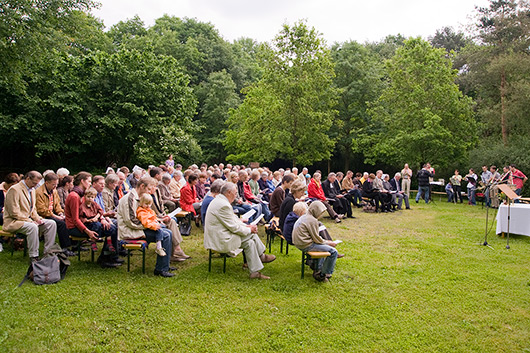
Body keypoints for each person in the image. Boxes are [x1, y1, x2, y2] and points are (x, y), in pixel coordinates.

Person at [204, 182, 276, 279]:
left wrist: (247, 227)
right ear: (229, 192)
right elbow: (233, 227)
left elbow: (232, 220)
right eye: (235, 193)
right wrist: (249, 229)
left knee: (249, 242)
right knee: (252, 235)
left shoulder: (220, 201)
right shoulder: (223, 205)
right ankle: (261, 256)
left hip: (221, 234)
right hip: (220, 239)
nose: (236, 195)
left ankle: (254, 272)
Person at [117, 176, 174, 277]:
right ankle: (161, 269)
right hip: (129, 230)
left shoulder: (139, 198)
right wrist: (151, 226)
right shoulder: (130, 198)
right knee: (165, 235)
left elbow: (146, 216)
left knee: (168, 232)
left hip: (138, 227)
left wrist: (157, 221)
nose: (149, 192)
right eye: (148, 189)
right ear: (142, 186)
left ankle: (165, 264)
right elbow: (130, 221)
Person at [3, 171, 57, 261]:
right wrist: (30, 221)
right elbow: (14, 212)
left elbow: (33, 209)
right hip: (13, 221)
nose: (35, 185)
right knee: (32, 227)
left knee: (51, 223)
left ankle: (48, 253)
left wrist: (38, 219)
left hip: (26, 220)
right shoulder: (14, 190)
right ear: (27, 179)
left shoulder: (32, 190)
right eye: (34, 183)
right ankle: (34, 256)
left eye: (37, 183)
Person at [292, 201, 338, 283]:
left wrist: (325, 242)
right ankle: (323, 274)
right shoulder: (312, 220)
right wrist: (329, 243)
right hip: (306, 245)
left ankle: (317, 267)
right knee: (333, 251)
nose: (321, 215)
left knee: (322, 248)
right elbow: (317, 239)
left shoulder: (305, 216)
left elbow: (316, 239)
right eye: (321, 212)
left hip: (299, 243)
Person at [35, 172, 75, 256]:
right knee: (61, 224)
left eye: (56, 184)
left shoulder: (54, 191)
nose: (55, 186)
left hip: (53, 214)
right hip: (43, 215)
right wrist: (55, 216)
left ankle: (73, 244)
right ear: (46, 183)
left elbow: (57, 204)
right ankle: (65, 247)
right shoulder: (39, 192)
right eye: (53, 184)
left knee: (67, 220)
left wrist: (60, 213)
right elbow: (41, 209)